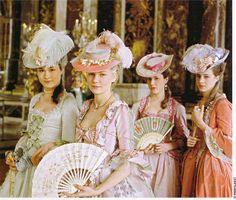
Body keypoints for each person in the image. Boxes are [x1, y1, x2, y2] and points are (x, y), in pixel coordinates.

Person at [65, 30, 154, 197]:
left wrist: (97, 190)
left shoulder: (119, 110)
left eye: (102, 74)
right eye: (91, 74)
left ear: (114, 76)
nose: (95, 80)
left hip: (108, 188)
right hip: (81, 183)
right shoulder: (85, 107)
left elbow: (127, 164)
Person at [0, 24, 78, 197]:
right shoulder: (35, 99)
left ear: (61, 70)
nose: (46, 76)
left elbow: (70, 142)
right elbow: (27, 135)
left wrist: (51, 146)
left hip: (48, 169)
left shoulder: (68, 102)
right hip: (25, 168)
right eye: (41, 70)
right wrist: (16, 155)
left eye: (51, 69)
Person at [132, 52, 189, 197]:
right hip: (143, 161)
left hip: (166, 163)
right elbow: (130, 136)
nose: (152, 83)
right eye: (149, 79)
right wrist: (141, 148)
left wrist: (167, 146)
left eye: (156, 78)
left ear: (166, 79)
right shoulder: (138, 107)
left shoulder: (177, 109)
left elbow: (184, 140)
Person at [181, 44, 232, 197]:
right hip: (196, 165)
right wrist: (191, 140)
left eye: (206, 76)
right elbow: (200, 138)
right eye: (198, 76)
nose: (201, 81)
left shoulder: (222, 104)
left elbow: (230, 145)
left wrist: (202, 125)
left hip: (213, 170)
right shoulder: (201, 103)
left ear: (217, 77)